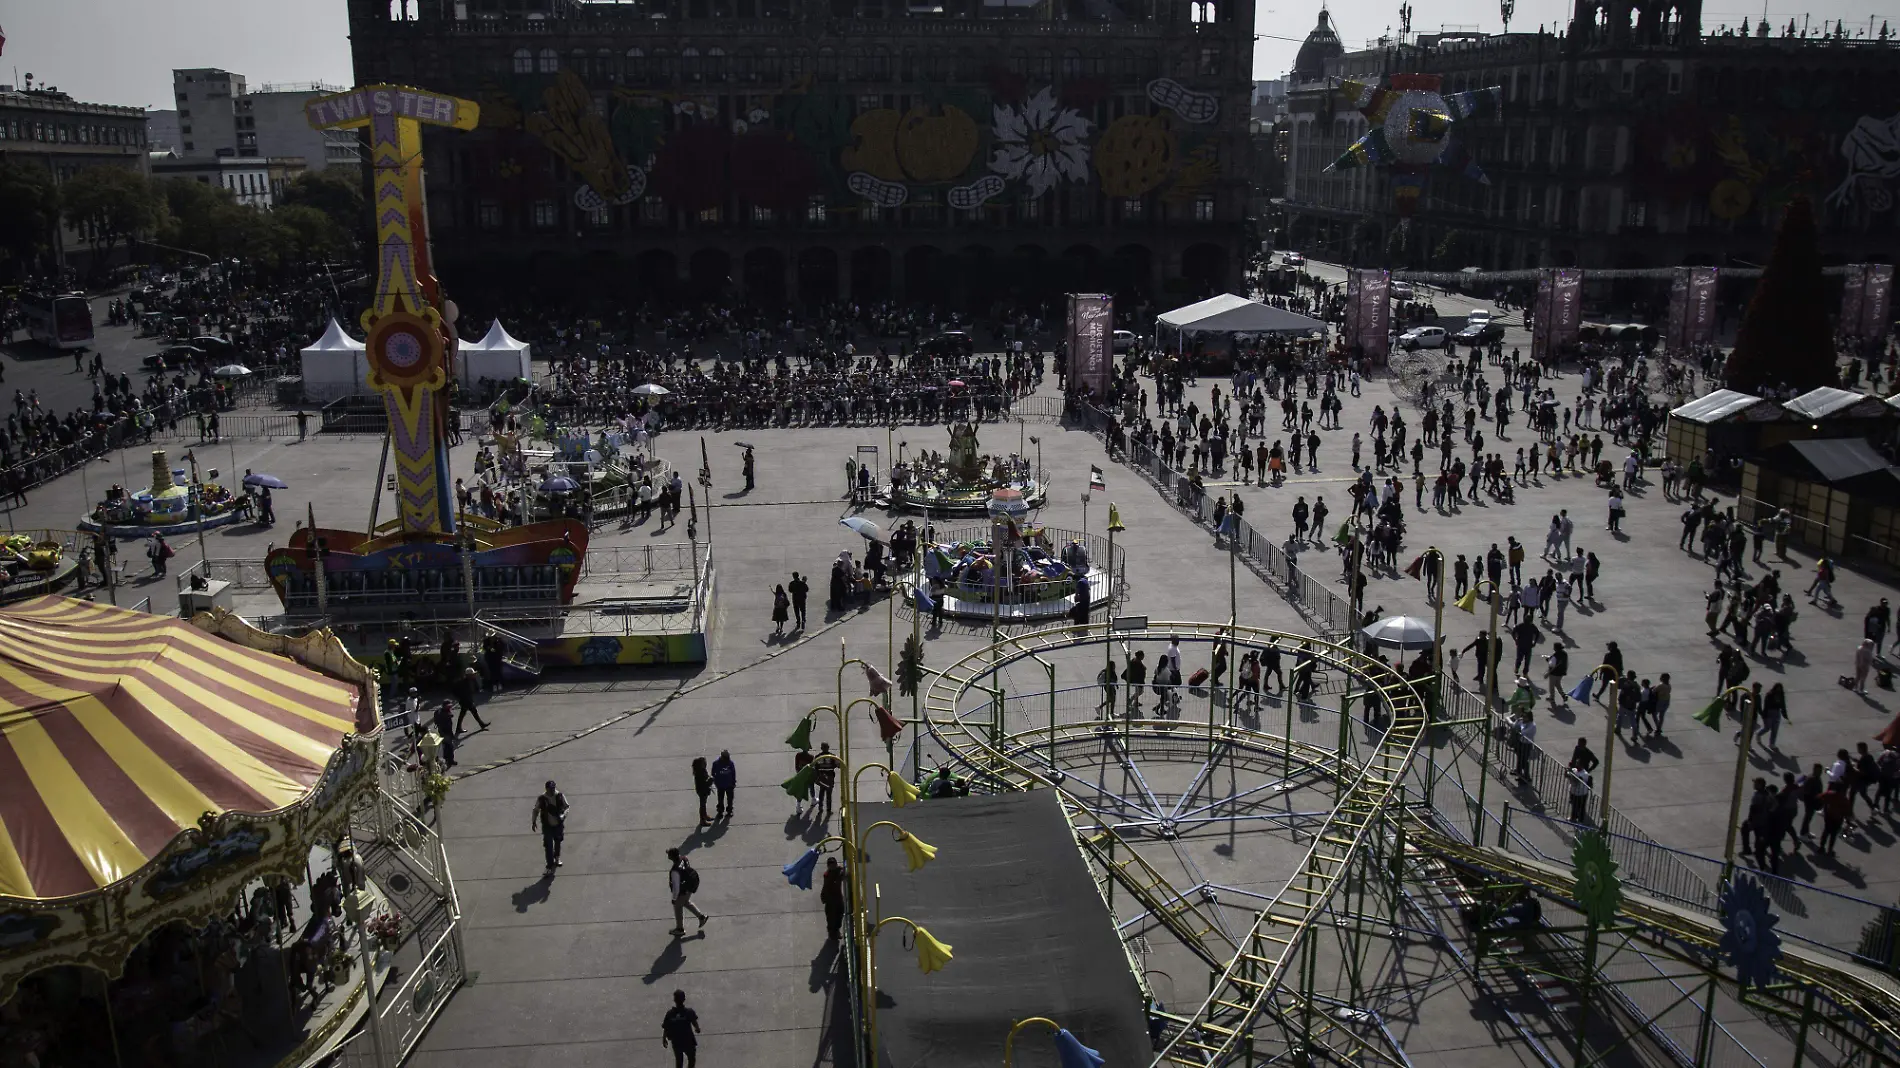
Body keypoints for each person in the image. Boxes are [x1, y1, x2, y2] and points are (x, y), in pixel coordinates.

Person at [667, 847, 708, 933]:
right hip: (690, 885)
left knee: (678, 907)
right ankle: (702, 917)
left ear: (671, 857)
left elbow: (676, 887)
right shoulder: (684, 858)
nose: (667, 856)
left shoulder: (675, 871)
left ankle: (680, 929)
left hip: (683, 889)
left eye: (669, 854)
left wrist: (674, 899)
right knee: (685, 902)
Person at [532, 780, 569, 874]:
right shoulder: (542, 798)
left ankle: (557, 858)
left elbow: (567, 807)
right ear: (546, 789)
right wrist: (533, 821)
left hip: (558, 825)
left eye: (553, 788)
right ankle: (549, 865)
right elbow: (536, 810)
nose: (552, 791)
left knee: (557, 842)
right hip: (547, 826)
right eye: (550, 789)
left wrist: (563, 815)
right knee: (548, 846)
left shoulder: (559, 796)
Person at [661, 989, 701, 1068]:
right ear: (684, 999)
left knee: (679, 1062)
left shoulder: (670, 1013)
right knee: (691, 1060)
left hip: (677, 1042)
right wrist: (697, 1028)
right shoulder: (689, 1012)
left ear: (674, 1000)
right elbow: (694, 1022)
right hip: (688, 1041)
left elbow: (666, 1027)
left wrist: (664, 1038)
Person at [820, 856, 847, 940]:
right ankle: (832, 933)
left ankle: (836, 931)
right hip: (830, 899)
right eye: (830, 865)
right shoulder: (827, 875)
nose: (832, 866)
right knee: (831, 917)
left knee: (840, 914)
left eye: (834, 864)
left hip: (838, 897)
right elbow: (827, 886)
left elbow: (843, 872)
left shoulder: (839, 870)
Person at [711, 749, 736, 819]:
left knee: (730, 799)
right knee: (720, 799)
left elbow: (733, 773)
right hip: (720, 785)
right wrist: (715, 782)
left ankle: (729, 810)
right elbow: (713, 773)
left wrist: (733, 782)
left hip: (729, 785)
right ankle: (720, 811)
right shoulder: (716, 763)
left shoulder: (730, 763)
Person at [692, 756, 714, 824]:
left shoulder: (702, 770)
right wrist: (711, 780)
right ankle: (702, 820)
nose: (706, 763)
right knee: (702, 805)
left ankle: (705, 816)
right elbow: (704, 783)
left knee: (704, 804)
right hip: (702, 791)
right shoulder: (700, 773)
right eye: (704, 762)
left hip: (703, 790)